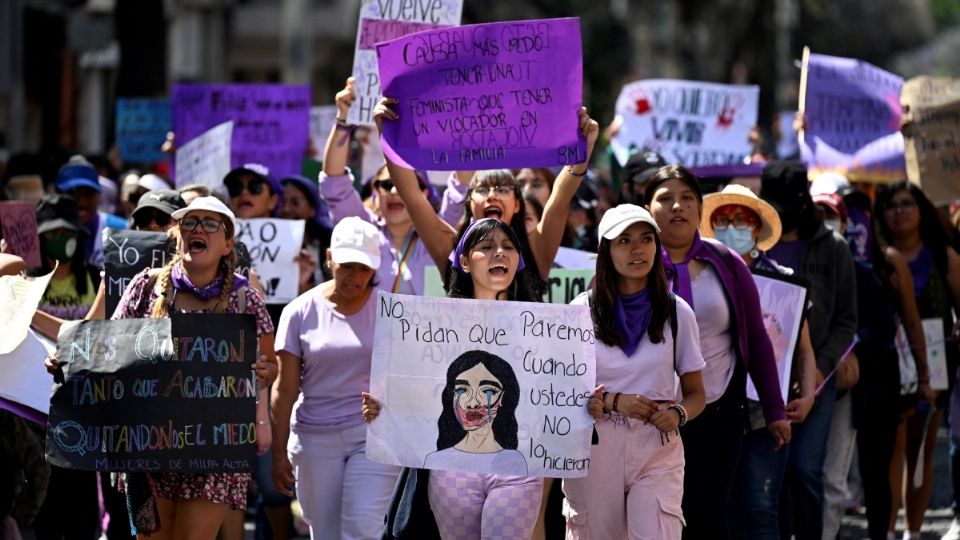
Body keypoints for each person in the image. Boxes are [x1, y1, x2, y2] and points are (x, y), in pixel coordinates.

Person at [364, 218, 545, 540]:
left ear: (519, 261)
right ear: (463, 261)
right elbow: (412, 388)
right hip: (452, 471)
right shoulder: (432, 325)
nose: (499, 254)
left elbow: (557, 390)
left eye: (507, 247)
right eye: (486, 247)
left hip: (519, 466)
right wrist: (383, 408)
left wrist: (585, 402)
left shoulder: (545, 325)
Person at [110, 196, 277, 539]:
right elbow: (110, 345)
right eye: (189, 222)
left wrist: (263, 374)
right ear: (178, 235)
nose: (198, 229)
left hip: (214, 448)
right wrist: (71, 359)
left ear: (228, 244)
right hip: (151, 446)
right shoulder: (145, 287)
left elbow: (270, 365)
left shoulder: (246, 300)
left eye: (210, 223)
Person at [643, 165, 789, 539]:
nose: (677, 206)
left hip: (718, 409)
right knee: (659, 514)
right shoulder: (633, 264)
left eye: (687, 197)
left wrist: (774, 409)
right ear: (647, 207)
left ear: (700, 208)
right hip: (649, 414)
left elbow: (756, 338)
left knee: (709, 513)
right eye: (665, 198)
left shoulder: (727, 262)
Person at [564, 204, 706, 538]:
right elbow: (561, 392)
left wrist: (679, 413)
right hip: (594, 446)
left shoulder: (677, 311)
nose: (637, 249)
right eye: (624, 240)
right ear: (605, 250)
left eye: (646, 239)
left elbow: (698, 393)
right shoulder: (578, 312)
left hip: (658, 445)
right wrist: (611, 402)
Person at [372, 96, 599, 296]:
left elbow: (559, 200)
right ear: (470, 205)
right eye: (481, 190)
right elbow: (412, 197)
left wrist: (583, 148)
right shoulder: (450, 247)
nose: (492, 195)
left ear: (517, 205)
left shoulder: (536, 249)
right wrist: (388, 137)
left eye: (502, 189)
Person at [699, 184, 818, 538]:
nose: (731, 226)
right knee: (720, 505)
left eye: (740, 219)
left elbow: (804, 350)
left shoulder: (782, 282)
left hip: (766, 414)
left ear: (755, 229)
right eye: (722, 219)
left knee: (761, 508)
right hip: (715, 410)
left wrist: (808, 395)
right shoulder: (702, 276)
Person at [271, 216, 399, 539]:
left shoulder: (392, 310)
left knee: (363, 527)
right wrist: (277, 452)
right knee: (325, 532)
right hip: (315, 438)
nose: (355, 276)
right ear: (329, 259)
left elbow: (407, 374)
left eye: (364, 268)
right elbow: (284, 389)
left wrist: (389, 402)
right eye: (347, 266)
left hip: (372, 435)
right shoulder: (299, 311)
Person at [757, 161, 857, 540]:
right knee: (772, 479)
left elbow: (847, 322)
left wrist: (819, 370)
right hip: (763, 382)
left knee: (805, 472)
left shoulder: (834, 249)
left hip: (818, 380)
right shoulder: (753, 247)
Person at [319, 77, 464, 296]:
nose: (396, 191)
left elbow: (460, 187)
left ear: (424, 193)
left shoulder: (442, 230)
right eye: (387, 184)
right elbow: (334, 182)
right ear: (375, 193)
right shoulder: (360, 229)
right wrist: (344, 120)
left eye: (407, 184)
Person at [874, 182, 960, 540]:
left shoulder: (943, 255)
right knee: (893, 446)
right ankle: (891, 529)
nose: (900, 211)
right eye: (892, 205)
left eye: (908, 203)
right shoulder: (876, 256)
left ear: (922, 209)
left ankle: (913, 530)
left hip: (936, 361)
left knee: (922, 447)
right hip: (890, 362)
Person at [423, 351, 527, 476]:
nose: (472, 403)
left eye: (488, 391)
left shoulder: (514, 461)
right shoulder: (436, 460)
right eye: (462, 389)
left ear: (502, 398)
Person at [54, 155, 127, 267]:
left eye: (88, 192)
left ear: (98, 195)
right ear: (58, 196)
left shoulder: (121, 230)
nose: (81, 199)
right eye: (72, 192)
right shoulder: (47, 235)